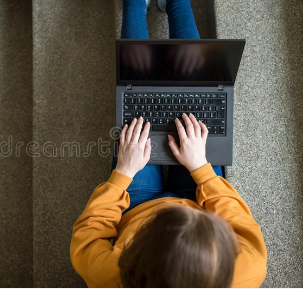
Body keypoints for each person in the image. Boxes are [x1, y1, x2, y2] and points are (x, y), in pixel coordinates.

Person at [70, 0, 267, 287]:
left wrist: (122, 173)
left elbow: (89, 233)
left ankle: (135, 4)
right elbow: (239, 221)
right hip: (195, 190)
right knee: (195, 92)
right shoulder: (249, 268)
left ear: (135, 254)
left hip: (135, 206)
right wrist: (201, 168)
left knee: (136, 95)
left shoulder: (108, 275)